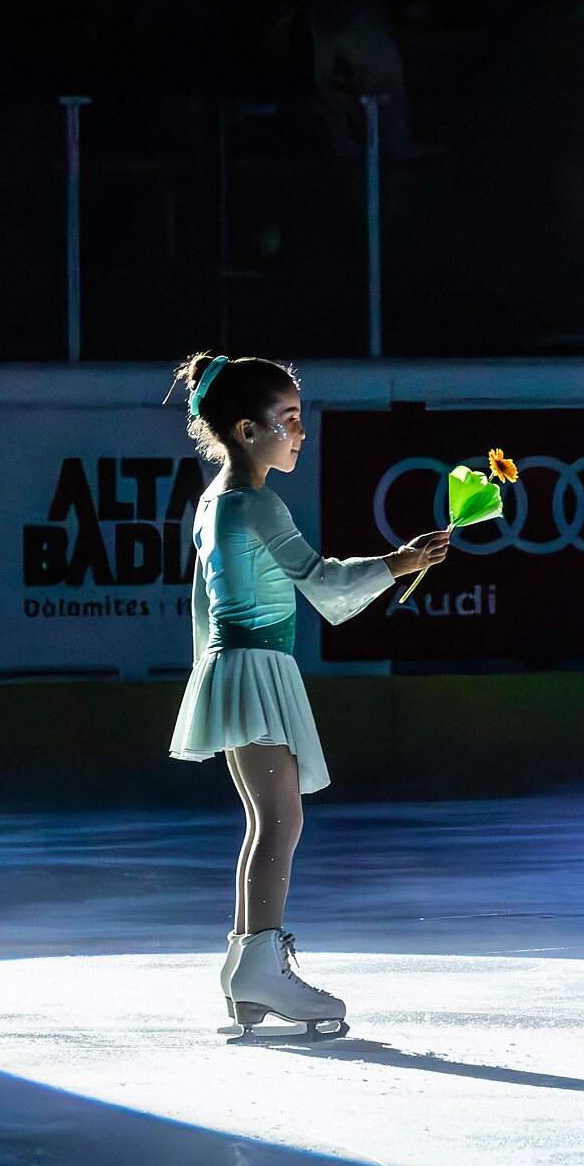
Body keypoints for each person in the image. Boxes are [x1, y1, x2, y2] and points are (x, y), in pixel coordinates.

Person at [167, 353, 449, 1043]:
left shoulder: (215, 499)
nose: (300, 433)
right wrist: (398, 562)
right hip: (254, 669)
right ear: (246, 428)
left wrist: (214, 673)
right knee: (280, 822)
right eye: (287, 421)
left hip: (237, 667)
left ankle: (247, 960)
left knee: (270, 821)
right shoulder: (253, 501)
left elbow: (204, 606)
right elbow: (322, 585)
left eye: (301, 419)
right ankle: (258, 961)